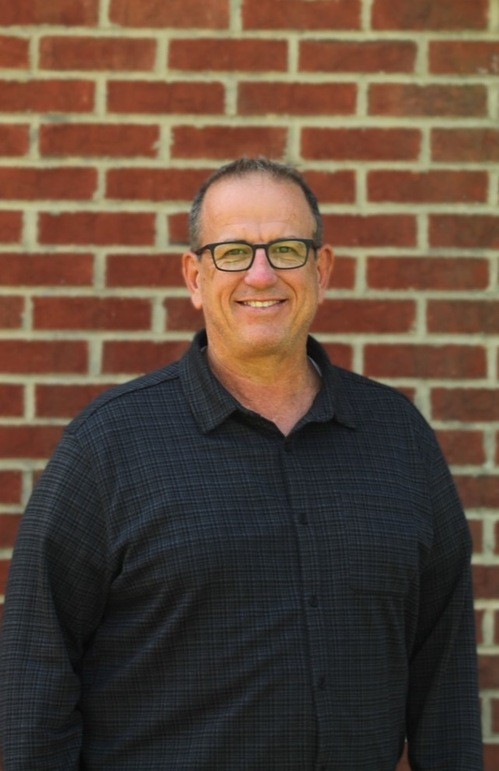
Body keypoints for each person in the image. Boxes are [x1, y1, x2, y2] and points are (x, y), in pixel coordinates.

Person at [0, 158, 483, 769]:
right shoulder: (109, 446)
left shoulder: (399, 439)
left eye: (286, 249)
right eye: (232, 252)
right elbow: (34, 676)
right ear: (195, 277)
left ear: (321, 271)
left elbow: (445, 681)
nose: (261, 274)